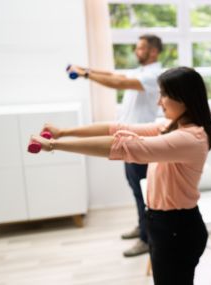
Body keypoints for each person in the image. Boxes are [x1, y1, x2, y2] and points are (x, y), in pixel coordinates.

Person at [31, 67, 211, 285]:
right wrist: (64, 132)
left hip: (177, 229)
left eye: (164, 95)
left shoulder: (190, 138)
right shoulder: (170, 127)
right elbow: (117, 128)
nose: (159, 102)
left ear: (183, 98)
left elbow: (125, 146)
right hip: (163, 224)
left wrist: (55, 144)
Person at [68, 34, 163, 257]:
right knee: (136, 189)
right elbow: (113, 75)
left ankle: (147, 240)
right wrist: (85, 70)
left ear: (153, 52)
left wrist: (85, 74)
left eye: (141, 48)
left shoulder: (153, 75)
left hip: (141, 142)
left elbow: (118, 83)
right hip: (129, 139)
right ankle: (143, 228)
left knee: (144, 194)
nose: (136, 51)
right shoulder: (140, 72)